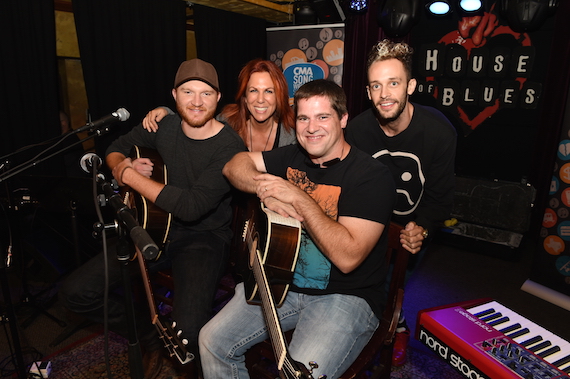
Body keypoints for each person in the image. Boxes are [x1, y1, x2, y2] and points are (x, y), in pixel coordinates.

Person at [59, 58, 246, 379]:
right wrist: (122, 167)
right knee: (74, 292)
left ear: (218, 98)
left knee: (187, 335)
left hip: (204, 239)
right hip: (154, 227)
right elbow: (115, 148)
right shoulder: (165, 126)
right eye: (188, 92)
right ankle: (149, 337)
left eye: (205, 93)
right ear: (174, 95)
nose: (197, 102)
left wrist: (131, 178)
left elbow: (191, 206)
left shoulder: (230, 146)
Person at [199, 79, 397, 379]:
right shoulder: (291, 157)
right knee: (212, 341)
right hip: (282, 283)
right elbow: (233, 165)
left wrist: (299, 198)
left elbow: (348, 257)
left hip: (345, 296)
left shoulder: (372, 176)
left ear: (343, 119)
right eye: (303, 118)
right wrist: (265, 188)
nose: (311, 127)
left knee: (297, 374)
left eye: (322, 117)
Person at [345, 39, 457, 366]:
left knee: (393, 285)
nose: (384, 94)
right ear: (368, 91)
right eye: (376, 86)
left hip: (412, 224)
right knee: (364, 283)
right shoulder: (358, 131)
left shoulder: (439, 132)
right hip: (370, 222)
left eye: (393, 83)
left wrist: (421, 228)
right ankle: (386, 323)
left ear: (410, 85)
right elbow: (349, 185)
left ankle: (397, 326)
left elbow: (439, 197)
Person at [142, 58, 296, 151]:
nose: (260, 99)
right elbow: (197, 120)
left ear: (279, 95)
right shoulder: (227, 121)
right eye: (254, 90)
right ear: (244, 95)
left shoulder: (291, 134)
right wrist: (165, 112)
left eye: (269, 91)